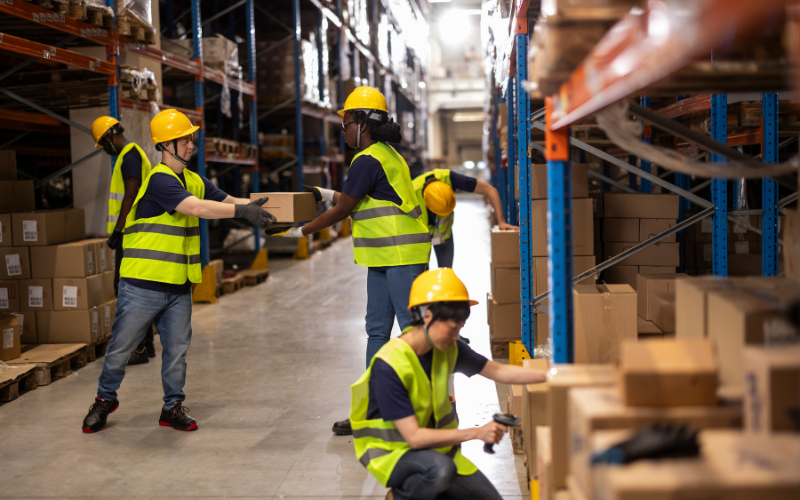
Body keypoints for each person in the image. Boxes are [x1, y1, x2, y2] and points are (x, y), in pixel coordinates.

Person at [81, 109, 276, 433]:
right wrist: (242, 211)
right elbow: (197, 208)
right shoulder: (159, 180)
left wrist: (270, 212)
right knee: (122, 347)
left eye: (190, 138)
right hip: (143, 283)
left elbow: (230, 200)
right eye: (184, 139)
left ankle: (172, 407)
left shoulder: (194, 180)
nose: (190, 144)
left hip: (177, 285)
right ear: (166, 145)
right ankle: (104, 400)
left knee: (177, 351)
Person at [265, 87, 431, 436]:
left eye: (346, 123)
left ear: (365, 123)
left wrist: (299, 232)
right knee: (376, 333)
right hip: (385, 257)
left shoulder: (370, 158)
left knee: (414, 335)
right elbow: (359, 199)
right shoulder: (383, 155)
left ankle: (422, 411)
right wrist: (323, 194)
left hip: (402, 258)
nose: (343, 130)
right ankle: (371, 410)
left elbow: (344, 209)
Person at [350, 268, 547, 500]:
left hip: (438, 451)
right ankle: (398, 496)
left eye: (460, 328)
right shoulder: (390, 365)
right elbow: (414, 437)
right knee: (440, 473)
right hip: (394, 453)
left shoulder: (447, 347)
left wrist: (552, 375)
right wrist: (477, 433)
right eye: (452, 328)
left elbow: (500, 371)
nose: (456, 336)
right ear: (426, 316)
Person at [91, 115, 157, 366]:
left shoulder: (129, 156)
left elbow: (131, 193)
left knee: (127, 292)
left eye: (102, 143)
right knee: (135, 290)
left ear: (109, 137)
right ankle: (146, 346)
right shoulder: (132, 154)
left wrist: (118, 231)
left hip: (131, 235)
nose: (104, 149)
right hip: (135, 234)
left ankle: (138, 348)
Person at [412, 169, 518, 269]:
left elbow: (490, 190)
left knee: (446, 274)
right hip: (420, 240)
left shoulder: (450, 178)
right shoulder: (411, 192)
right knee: (421, 276)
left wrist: (501, 221)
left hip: (444, 236)